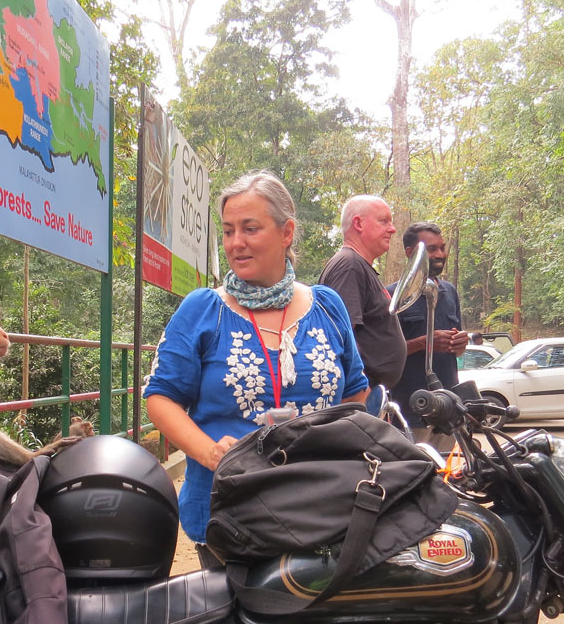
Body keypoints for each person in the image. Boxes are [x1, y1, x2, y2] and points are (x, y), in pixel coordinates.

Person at [145, 171, 369, 557]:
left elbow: (355, 392)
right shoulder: (203, 310)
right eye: (229, 231)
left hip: (323, 510)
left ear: (286, 233)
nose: (236, 243)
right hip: (230, 514)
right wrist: (211, 453)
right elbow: (160, 398)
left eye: (250, 228)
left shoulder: (328, 306)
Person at [317, 195, 406, 413]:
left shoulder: (359, 266)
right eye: (384, 221)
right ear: (358, 224)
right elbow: (341, 336)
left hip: (372, 393)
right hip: (360, 397)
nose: (392, 229)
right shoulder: (349, 266)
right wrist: (358, 392)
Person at [386, 222, 468, 409]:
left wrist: (460, 343)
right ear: (410, 253)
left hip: (449, 405)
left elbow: (458, 352)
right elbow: (385, 354)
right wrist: (425, 342)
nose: (440, 254)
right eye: (431, 249)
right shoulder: (391, 296)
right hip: (411, 406)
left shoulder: (450, 291)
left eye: (442, 248)